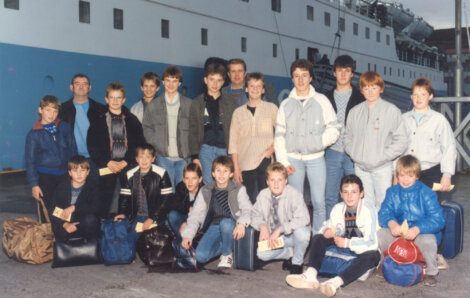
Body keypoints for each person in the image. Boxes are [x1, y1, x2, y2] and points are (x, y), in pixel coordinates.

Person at [286, 174, 380, 297]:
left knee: (373, 255)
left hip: (360, 248)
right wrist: (327, 230)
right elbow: (327, 226)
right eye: (345, 192)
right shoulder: (338, 208)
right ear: (341, 194)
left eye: (354, 192)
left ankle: (335, 283)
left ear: (361, 194)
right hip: (342, 244)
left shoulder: (368, 210)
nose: (349, 196)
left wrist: (348, 243)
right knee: (318, 238)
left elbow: (372, 242)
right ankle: (310, 275)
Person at [275, 58, 340, 234]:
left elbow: (334, 128)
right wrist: (282, 161)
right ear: (292, 79)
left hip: (316, 159)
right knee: (296, 203)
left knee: (318, 202)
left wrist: (319, 143)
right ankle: (298, 239)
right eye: (296, 76)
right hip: (292, 161)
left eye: (304, 75)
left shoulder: (322, 101)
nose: (301, 80)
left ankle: (317, 238)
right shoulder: (285, 104)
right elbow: (279, 136)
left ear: (311, 77)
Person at [378, 155, 445, 287]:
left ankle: (431, 272)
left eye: (410, 175)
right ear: (397, 175)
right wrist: (392, 223)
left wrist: (418, 228)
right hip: (400, 233)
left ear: (417, 176)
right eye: (402, 175)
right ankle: (383, 264)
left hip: (421, 233)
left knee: (428, 240)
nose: (405, 180)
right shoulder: (392, 192)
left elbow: (438, 219)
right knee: (380, 234)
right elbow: (383, 213)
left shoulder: (427, 193)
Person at [344, 71, 408, 209]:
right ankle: (368, 230)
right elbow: (347, 136)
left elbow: (401, 140)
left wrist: (383, 156)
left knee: (383, 203)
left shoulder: (391, 110)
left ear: (381, 88)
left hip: (382, 168)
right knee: (364, 203)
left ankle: (381, 230)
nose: (370, 92)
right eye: (366, 88)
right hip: (360, 168)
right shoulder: (354, 112)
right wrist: (354, 153)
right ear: (361, 90)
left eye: (374, 87)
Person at [181, 156, 252, 269]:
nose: (222, 174)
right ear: (213, 173)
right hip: (214, 225)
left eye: (225, 171)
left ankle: (227, 254)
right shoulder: (205, 190)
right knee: (200, 256)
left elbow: (248, 209)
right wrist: (188, 236)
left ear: (231, 174)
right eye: (218, 170)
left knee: (226, 223)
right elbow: (195, 215)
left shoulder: (238, 189)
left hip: (232, 224)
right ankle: (228, 245)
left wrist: (242, 223)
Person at [87, 82, 146, 218]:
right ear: (106, 99)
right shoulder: (98, 120)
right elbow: (92, 146)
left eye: (118, 98)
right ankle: (104, 229)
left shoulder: (132, 120)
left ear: (124, 99)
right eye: (112, 98)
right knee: (104, 201)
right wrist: (107, 162)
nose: (115, 101)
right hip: (107, 166)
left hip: (128, 165)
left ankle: (126, 227)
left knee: (128, 200)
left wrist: (126, 161)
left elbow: (140, 143)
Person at [402, 77, 457, 201]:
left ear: (430, 96)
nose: (418, 98)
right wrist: (395, 173)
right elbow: (397, 147)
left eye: (423, 94)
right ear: (411, 97)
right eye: (415, 95)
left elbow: (449, 147)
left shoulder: (439, 120)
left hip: (431, 172)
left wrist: (447, 175)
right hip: (406, 173)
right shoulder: (403, 119)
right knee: (407, 208)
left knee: (430, 209)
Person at [324, 55, 365, 219]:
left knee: (354, 196)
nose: (343, 74)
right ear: (334, 73)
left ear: (352, 74)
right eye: (339, 70)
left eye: (347, 71)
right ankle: (330, 230)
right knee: (330, 196)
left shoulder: (360, 97)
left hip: (352, 153)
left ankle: (354, 231)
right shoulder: (325, 97)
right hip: (331, 152)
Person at [251, 162, 310, 274]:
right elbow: (254, 214)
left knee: (303, 234)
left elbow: (304, 218)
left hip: (292, 236)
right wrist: (262, 226)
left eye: (280, 180)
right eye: (272, 180)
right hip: (276, 239)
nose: (276, 184)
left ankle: (297, 263)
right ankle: (290, 253)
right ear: (267, 182)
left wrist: (280, 229)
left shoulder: (294, 194)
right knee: (262, 254)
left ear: (286, 181)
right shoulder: (263, 195)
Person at [229, 72, 278, 203]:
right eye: (252, 86)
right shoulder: (238, 113)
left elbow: (282, 133)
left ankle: (267, 224)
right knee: (250, 200)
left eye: (258, 86)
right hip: (245, 163)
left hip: (265, 161)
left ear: (263, 90)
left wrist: (271, 150)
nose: (255, 89)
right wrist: (236, 168)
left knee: (266, 199)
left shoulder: (272, 108)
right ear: (246, 88)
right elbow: (233, 142)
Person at [25, 95, 77, 216]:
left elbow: (73, 150)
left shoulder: (65, 127)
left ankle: (63, 233)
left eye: (55, 111)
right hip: (45, 177)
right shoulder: (33, 134)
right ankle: (47, 234)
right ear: (40, 110)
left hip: (65, 175)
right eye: (48, 110)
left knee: (64, 207)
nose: (51, 114)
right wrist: (34, 185)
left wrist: (74, 172)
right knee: (47, 210)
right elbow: (30, 161)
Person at [143, 66, 191, 188]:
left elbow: (195, 130)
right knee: (167, 193)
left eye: (175, 81)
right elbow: (147, 128)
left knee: (184, 193)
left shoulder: (189, 104)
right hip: (163, 157)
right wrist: (157, 144)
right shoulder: (153, 105)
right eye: (168, 80)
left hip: (184, 158)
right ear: (163, 82)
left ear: (179, 83)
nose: (171, 84)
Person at [189, 63, 237, 185]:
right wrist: (195, 156)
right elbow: (193, 130)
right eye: (212, 80)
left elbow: (236, 129)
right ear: (205, 80)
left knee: (225, 184)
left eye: (219, 80)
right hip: (205, 149)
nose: (215, 84)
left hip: (224, 149)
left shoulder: (230, 102)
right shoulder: (197, 103)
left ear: (223, 82)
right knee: (209, 184)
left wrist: (233, 153)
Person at [59, 74, 107, 181]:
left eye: (85, 84)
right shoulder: (61, 110)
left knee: (95, 193)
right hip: (72, 159)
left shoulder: (101, 109)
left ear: (90, 88)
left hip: (95, 160)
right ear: (71, 87)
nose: (81, 86)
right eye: (77, 84)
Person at [114, 144, 173, 230]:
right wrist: (122, 213)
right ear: (137, 159)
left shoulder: (162, 173)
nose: (144, 160)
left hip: (156, 216)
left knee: (151, 239)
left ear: (153, 159)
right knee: (130, 238)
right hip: (136, 216)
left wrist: (152, 218)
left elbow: (166, 199)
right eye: (141, 157)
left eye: (148, 157)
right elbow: (124, 198)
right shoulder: (130, 174)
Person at [51, 155, 100, 242]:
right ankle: (64, 251)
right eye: (75, 170)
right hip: (66, 221)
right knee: (57, 228)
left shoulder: (93, 187)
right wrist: (65, 224)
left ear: (88, 172)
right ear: (69, 173)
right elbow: (54, 209)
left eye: (83, 170)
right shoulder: (62, 187)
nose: (79, 174)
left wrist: (74, 208)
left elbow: (95, 207)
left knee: (91, 220)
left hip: (83, 222)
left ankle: (91, 249)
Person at [166, 163, 204, 238]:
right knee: (171, 215)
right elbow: (171, 204)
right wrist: (188, 209)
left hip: (198, 220)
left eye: (194, 178)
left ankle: (186, 241)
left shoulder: (204, 191)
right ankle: (184, 240)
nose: (190, 182)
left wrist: (188, 221)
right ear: (183, 179)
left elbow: (204, 216)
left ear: (200, 179)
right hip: (185, 215)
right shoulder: (180, 187)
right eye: (187, 178)